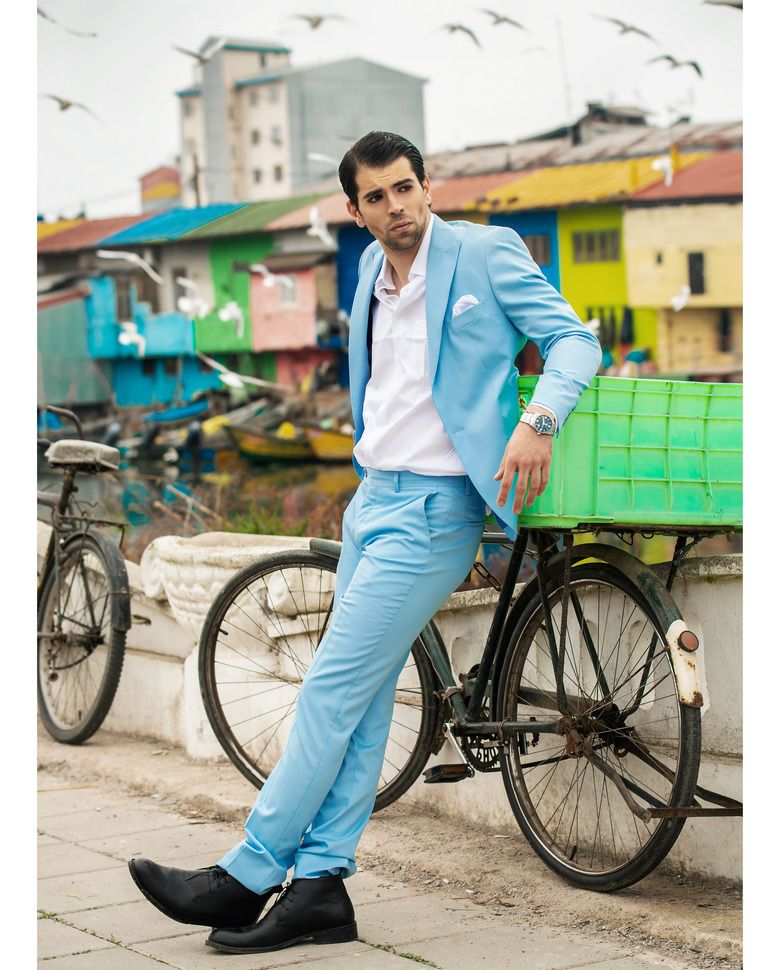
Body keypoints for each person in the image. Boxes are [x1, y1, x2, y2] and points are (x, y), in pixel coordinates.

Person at [128, 131, 602, 955]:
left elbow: (576, 341)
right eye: (376, 197)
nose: (397, 208)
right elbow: (383, 390)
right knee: (367, 701)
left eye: (406, 188)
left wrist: (538, 421)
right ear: (355, 210)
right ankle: (320, 889)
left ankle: (245, 874)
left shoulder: (484, 255)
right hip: (372, 502)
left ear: (427, 186)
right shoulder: (368, 274)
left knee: (329, 693)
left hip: (434, 514)